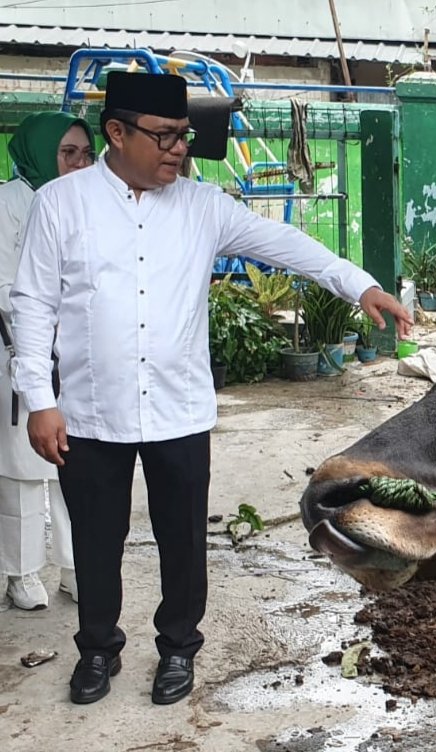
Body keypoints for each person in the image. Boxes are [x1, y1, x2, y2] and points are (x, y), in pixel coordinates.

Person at [10, 72, 412, 706]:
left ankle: (177, 649)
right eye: (164, 136)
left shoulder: (204, 207)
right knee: (94, 540)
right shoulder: (63, 203)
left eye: (184, 136)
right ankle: (97, 648)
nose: (178, 149)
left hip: (178, 410)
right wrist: (40, 398)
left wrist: (358, 285)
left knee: (182, 538)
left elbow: (287, 245)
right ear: (116, 132)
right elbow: (32, 303)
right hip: (87, 412)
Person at [0, 111, 93, 611]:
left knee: (76, 469)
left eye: (85, 153)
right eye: (66, 153)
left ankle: (77, 567)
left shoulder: (90, 205)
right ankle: (21, 572)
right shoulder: (7, 204)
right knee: (22, 473)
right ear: (38, 152)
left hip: (79, 357)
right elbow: (9, 288)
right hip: (18, 353)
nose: (78, 163)